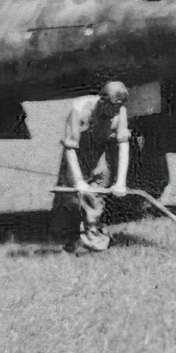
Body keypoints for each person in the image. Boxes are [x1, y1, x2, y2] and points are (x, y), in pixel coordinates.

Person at [51, 81, 132, 253]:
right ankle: (70, 239)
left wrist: (121, 182)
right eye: (112, 109)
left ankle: (93, 237)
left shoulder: (120, 109)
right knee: (72, 199)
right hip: (78, 154)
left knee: (96, 197)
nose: (114, 114)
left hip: (100, 153)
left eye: (118, 110)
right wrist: (79, 180)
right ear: (102, 101)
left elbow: (123, 144)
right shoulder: (79, 109)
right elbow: (70, 148)